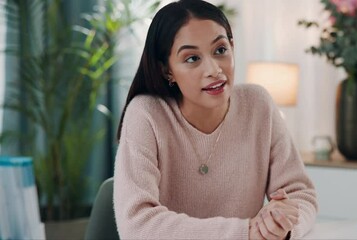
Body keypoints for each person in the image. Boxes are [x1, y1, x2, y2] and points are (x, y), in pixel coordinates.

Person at [113, 0, 318, 239]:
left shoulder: (258, 105)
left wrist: (282, 224)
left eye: (220, 50)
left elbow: (300, 194)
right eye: (192, 58)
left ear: (232, 46)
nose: (213, 69)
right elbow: (138, 224)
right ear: (166, 70)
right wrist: (245, 232)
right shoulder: (146, 114)